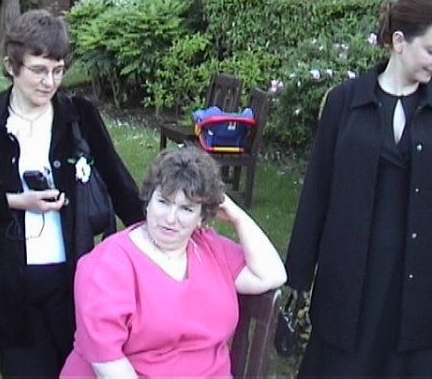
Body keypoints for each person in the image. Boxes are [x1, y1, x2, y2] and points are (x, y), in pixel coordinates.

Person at [0, 9, 145, 378]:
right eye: (38, 70)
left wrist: (163, 238)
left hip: (74, 283)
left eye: (58, 70)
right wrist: (15, 202)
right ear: (11, 65)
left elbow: (120, 185)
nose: (49, 82)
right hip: (7, 286)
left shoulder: (80, 115)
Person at [284, 0, 432, 377]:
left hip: (417, 282)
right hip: (348, 278)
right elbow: (317, 190)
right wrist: (298, 274)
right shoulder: (344, 102)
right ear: (399, 42)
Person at [60, 147, 287, 378]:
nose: (170, 218)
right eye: (163, 202)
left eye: (186, 209)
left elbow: (272, 275)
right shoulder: (107, 266)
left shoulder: (209, 248)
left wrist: (236, 216)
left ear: (202, 217)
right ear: (148, 201)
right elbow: (109, 367)